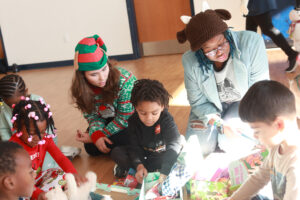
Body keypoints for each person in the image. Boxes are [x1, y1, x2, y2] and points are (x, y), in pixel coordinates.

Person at [176, 9, 269, 158]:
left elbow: (259, 92)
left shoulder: (252, 42)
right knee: (200, 149)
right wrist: (219, 124)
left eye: (222, 43)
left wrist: (258, 127)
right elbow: (198, 103)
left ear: (226, 33)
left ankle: (222, 140)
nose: (220, 52)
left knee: (230, 143)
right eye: (210, 50)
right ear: (200, 51)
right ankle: (217, 138)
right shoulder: (190, 60)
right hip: (209, 106)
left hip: (243, 103)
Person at [229, 80, 300, 200]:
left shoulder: (296, 166)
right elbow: (258, 178)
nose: (255, 136)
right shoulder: (277, 147)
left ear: (279, 124)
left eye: (257, 131)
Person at [71, 34, 136, 156]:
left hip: (131, 119)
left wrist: (96, 136)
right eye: (94, 75)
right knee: (90, 148)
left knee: (128, 136)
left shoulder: (125, 81)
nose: (102, 78)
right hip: (111, 119)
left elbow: (124, 119)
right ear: (82, 76)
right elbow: (93, 117)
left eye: (104, 69)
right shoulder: (81, 90)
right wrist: (96, 133)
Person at [9, 99, 86, 200]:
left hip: (37, 181)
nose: (39, 138)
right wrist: (37, 193)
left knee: (61, 173)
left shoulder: (45, 139)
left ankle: (44, 195)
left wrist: (73, 174)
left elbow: (60, 158)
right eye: (32, 133)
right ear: (16, 126)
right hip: (20, 184)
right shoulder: (12, 148)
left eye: (42, 132)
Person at [111, 79, 182, 183]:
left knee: (175, 154)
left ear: (162, 107)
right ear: (136, 108)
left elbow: (174, 143)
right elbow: (134, 148)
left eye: (154, 113)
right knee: (117, 153)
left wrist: (165, 171)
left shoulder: (166, 119)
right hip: (143, 155)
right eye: (143, 113)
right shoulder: (133, 121)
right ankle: (141, 171)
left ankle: (132, 171)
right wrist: (139, 166)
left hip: (159, 155)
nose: (149, 118)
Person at [0, 74, 58, 170]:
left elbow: (48, 129)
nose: (14, 107)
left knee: (45, 169)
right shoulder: (3, 108)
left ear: (26, 92)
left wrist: (39, 146)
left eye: (18, 103)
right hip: (20, 147)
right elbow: (3, 130)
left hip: (41, 144)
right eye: (10, 105)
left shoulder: (38, 101)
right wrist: (11, 148)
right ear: (3, 100)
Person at [245, 0, 299, 72]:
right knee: (250, 32)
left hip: (258, 4)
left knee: (267, 29)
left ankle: (292, 54)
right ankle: (251, 61)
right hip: (253, 4)